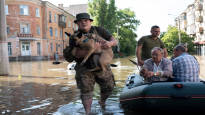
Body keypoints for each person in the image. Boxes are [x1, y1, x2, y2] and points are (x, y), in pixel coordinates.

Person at [63, 13, 117, 115]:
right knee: (86, 91)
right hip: (84, 68)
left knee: (109, 87)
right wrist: (92, 50)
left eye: (86, 20)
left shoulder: (100, 30)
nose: (83, 22)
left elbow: (114, 40)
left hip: (102, 66)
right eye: (80, 21)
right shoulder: (74, 37)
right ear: (77, 23)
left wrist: (110, 43)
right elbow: (70, 56)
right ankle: (88, 112)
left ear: (90, 22)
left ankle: (102, 102)